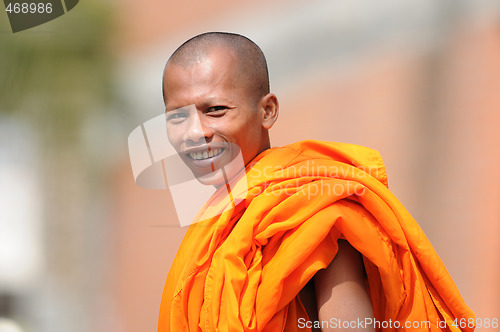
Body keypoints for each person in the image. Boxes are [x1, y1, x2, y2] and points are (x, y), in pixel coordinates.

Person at [156, 32, 475, 331]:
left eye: (215, 110)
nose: (195, 133)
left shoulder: (312, 208)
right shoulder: (215, 224)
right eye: (178, 117)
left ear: (267, 111)